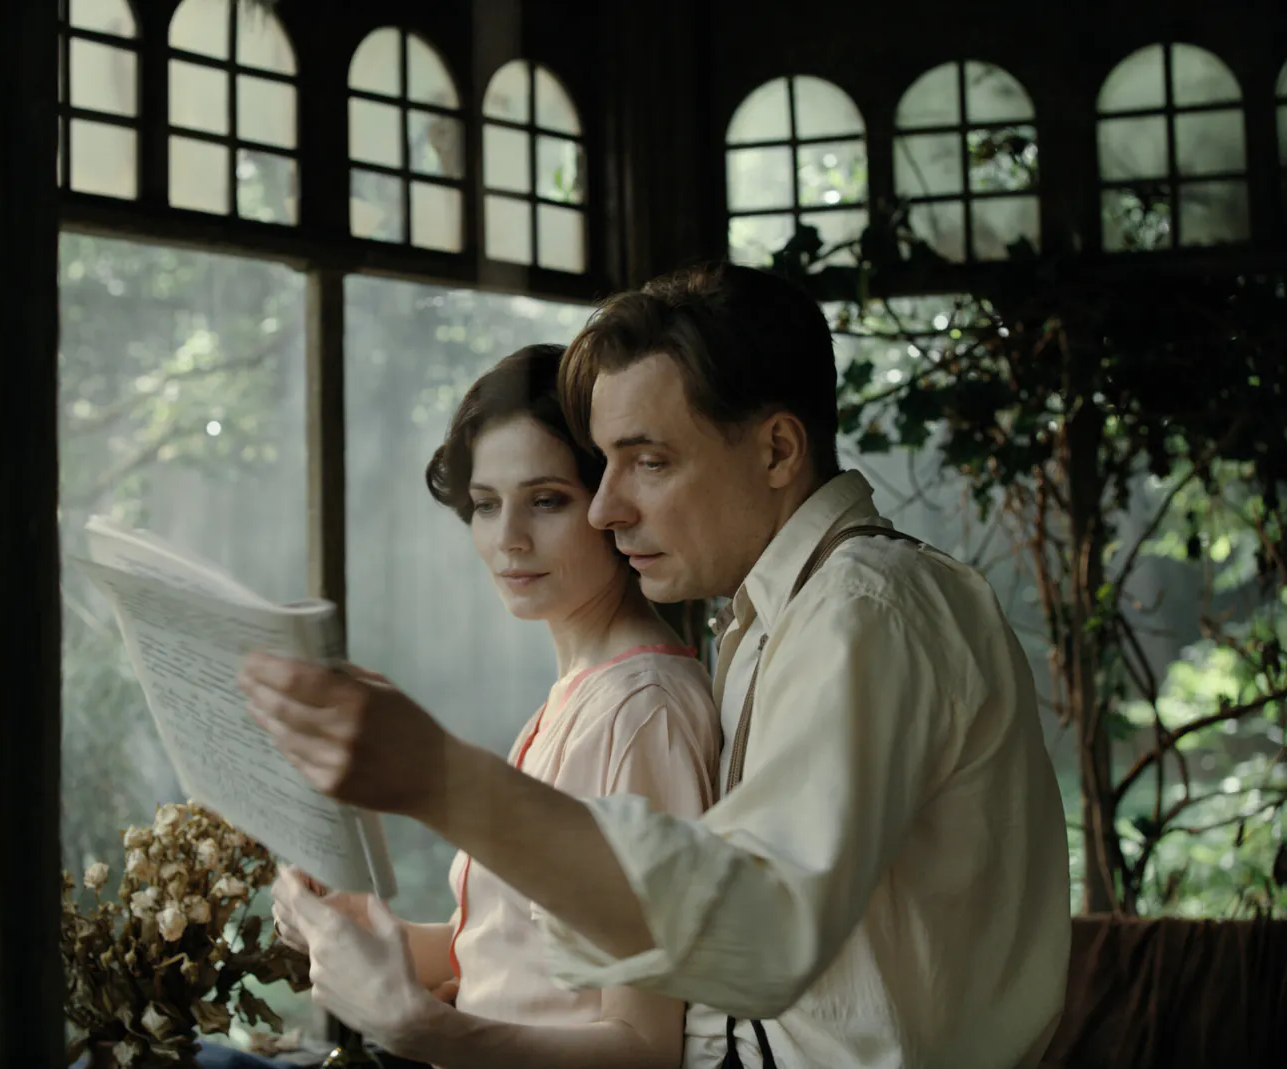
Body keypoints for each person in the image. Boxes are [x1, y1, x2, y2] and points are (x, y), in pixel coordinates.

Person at [240, 264, 1072, 1069]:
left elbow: (764, 928)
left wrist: (439, 780)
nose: (607, 508)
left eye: (648, 461)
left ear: (778, 450)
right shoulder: (776, 619)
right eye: (604, 465)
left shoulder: (862, 611)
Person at [245, 343, 720, 1069]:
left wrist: (431, 1032)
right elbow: (513, 953)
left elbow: (645, 1047)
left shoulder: (640, 711)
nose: (508, 539)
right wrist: (355, 929)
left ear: (611, 501)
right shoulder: (579, 694)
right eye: (486, 504)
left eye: (547, 500)